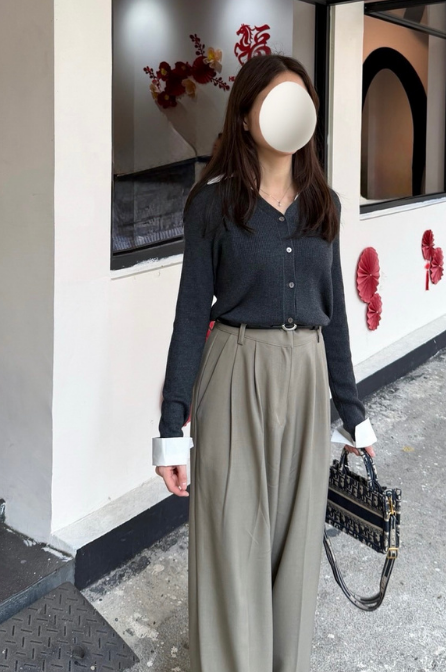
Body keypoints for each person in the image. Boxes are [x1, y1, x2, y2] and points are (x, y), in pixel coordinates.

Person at [153, 53, 377, 672]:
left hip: (306, 376)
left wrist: (352, 409)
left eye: (299, 101)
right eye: (274, 100)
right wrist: (172, 428)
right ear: (247, 116)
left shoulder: (325, 204)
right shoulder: (213, 205)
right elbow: (190, 314)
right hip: (234, 366)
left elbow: (334, 314)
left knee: (297, 537)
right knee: (232, 535)